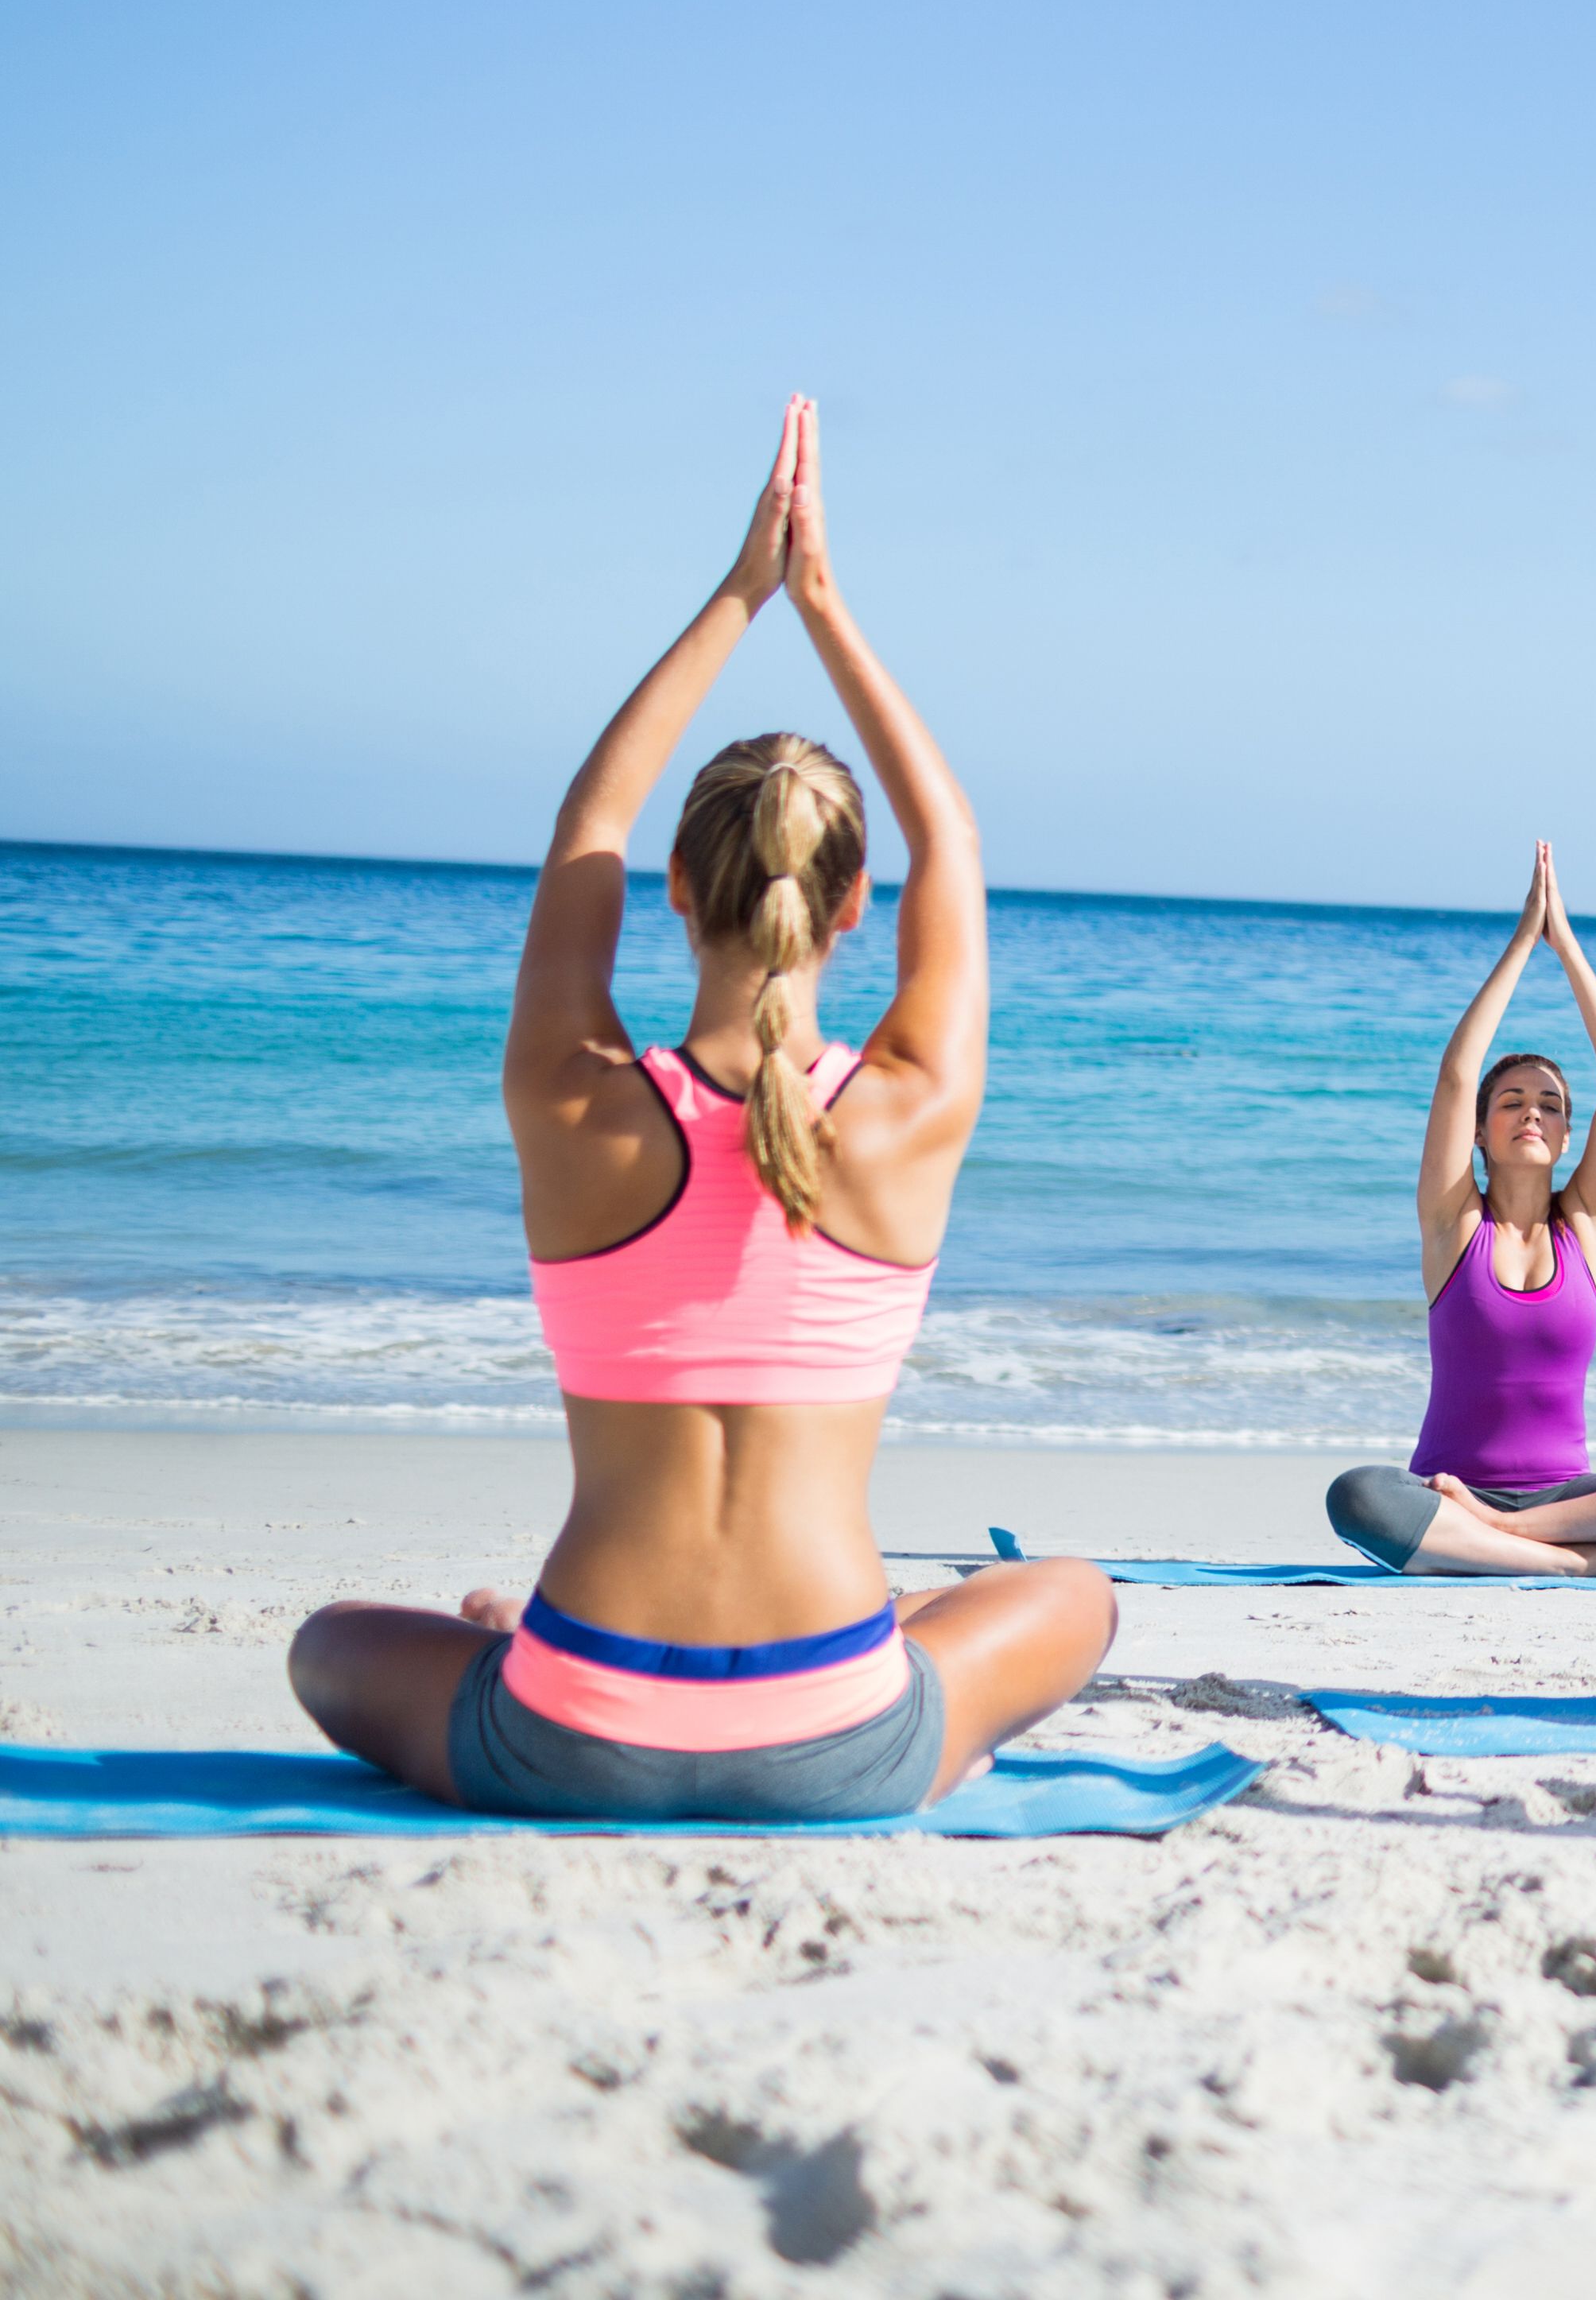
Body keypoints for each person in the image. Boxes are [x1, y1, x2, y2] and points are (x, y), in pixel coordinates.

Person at [285, 401, 1114, 1819]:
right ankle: (897, 1666)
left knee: (329, 1644)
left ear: (673, 888)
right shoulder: (911, 1110)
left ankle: (522, 1639)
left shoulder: (573, 1101)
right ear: (853, 907)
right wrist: (822, 604)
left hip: (567, 1729)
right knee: (1074, 1594)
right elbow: (953, 839)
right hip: (838, 1737)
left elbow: (586, 827)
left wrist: (738, 594)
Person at [1321, 844, 1596, 1576]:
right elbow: (1457, 1074)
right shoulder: (1455, 1225)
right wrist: (1525, 940)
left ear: (1566, 1137)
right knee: (1358, 1496)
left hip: (1566, 1500)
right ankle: (1580, 1564)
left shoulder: (1589, 1228)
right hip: (1446, 1491)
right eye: (1512, 1102)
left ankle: (1508, 1539)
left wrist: (1568, 947)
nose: (1532, 1112)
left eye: (1550, 1105)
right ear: (1479, 1132)